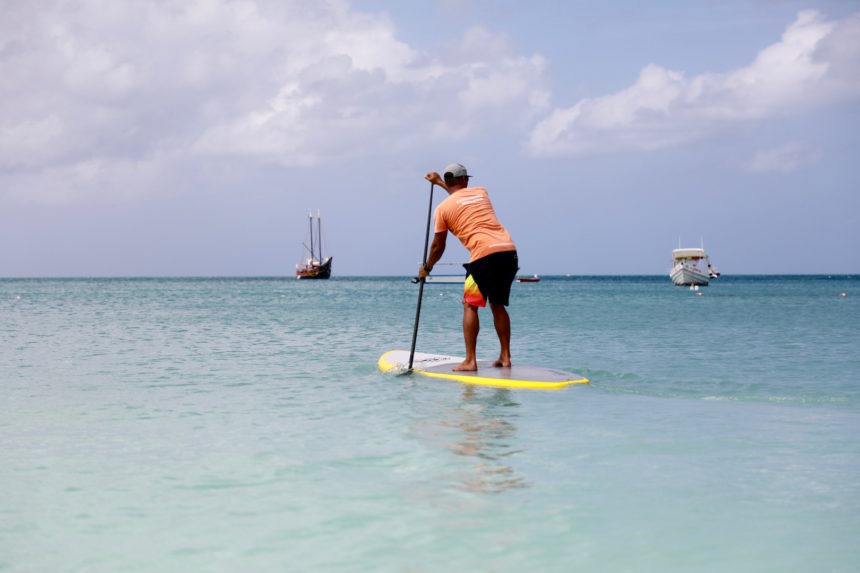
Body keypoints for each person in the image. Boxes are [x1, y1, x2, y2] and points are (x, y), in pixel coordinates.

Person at [418, 163, 518, 372]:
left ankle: (470, 361)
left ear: (448, 182)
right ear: (464, 180)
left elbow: (438, 246)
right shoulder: (482, 193)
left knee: (470, 305)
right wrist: (439, 183)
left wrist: (427, 268)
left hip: (483, 256)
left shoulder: (442, 210)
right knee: (497, 304)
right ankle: (505, 357)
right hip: (508, 252)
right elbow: (460, 197)